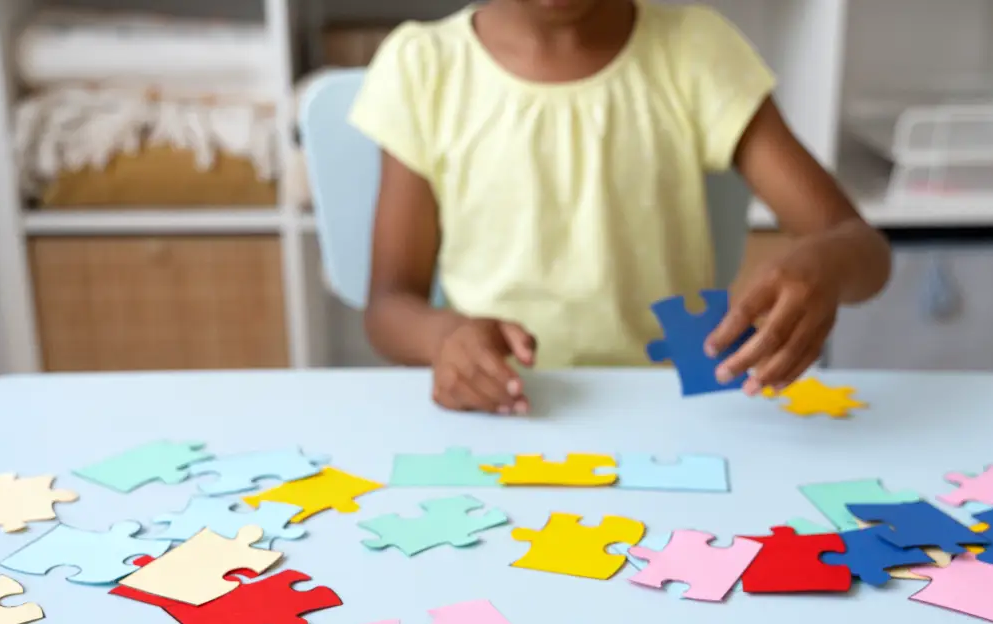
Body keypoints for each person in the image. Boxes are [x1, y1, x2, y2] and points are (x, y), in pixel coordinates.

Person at [349, 0, 890, 415]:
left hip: (674, 410)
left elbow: (861, 248)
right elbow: (389, 304)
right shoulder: (422, 65)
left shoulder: (695, 50)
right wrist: (445, 340)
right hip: (503, 410)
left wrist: (825, 265)